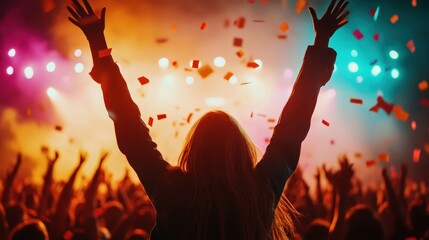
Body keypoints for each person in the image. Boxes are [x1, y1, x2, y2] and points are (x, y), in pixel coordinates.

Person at [67, 0, 349, 238]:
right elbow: (292, 128)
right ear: (239, 149)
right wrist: (321, 43)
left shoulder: (173, 192)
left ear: (194, 150)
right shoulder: (260, 192)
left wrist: (98, 44)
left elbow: (130, 130)